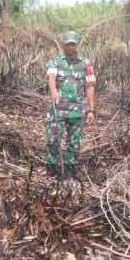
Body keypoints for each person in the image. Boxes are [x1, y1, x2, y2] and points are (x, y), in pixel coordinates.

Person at [44, 31, 96, 179]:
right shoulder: (55, 62)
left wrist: (91, 110)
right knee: (52, 139)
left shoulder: (86, 63)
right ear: (63, 45)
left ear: (77, 44)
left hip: (77, 110)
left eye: (72, 44)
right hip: (58, 109)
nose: (70, 47)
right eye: (67, 44)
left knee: (74, 142)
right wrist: (54, 91)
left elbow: (90, 86)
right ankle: (51, 169)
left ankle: (70, 171)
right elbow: (51, 78)